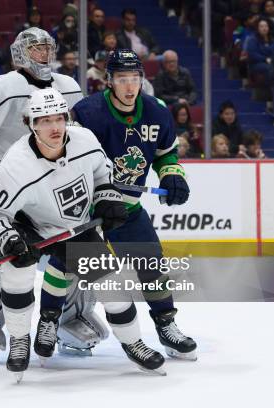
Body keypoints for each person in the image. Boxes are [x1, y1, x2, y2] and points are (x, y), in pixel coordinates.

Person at [0, 27, 108, 363]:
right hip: (14, 189)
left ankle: (72, 317)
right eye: (37, 49)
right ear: (21, 53)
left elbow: (86, 133)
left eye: (47, 48)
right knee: (11, 256)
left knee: (81, 248)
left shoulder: (68, 86)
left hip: (58, 189)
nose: (44, 54)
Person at [0, 88, 163, 381]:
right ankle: (19, 340)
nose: (54, 127)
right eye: (45, 120)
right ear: (31, 124)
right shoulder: (16, 166)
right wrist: (8, 239)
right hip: (29, 227)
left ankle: (133, 342)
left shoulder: (85, 140)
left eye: (59, 118)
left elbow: (103, 176)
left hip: (73, 226)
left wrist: (107, 200)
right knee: (18, 273)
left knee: (112, 286)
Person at [72, 49, 198, 361]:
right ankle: (54, 321)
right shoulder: (87, 113)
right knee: (79, 273)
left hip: (126, 210)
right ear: (109, 81)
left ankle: (166, 325)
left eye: (135, 78)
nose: (130, 86)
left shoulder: (156, 111)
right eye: (123, 79)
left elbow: (165, 154)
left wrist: (171, 175)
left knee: (152, 266)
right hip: (84, 213)